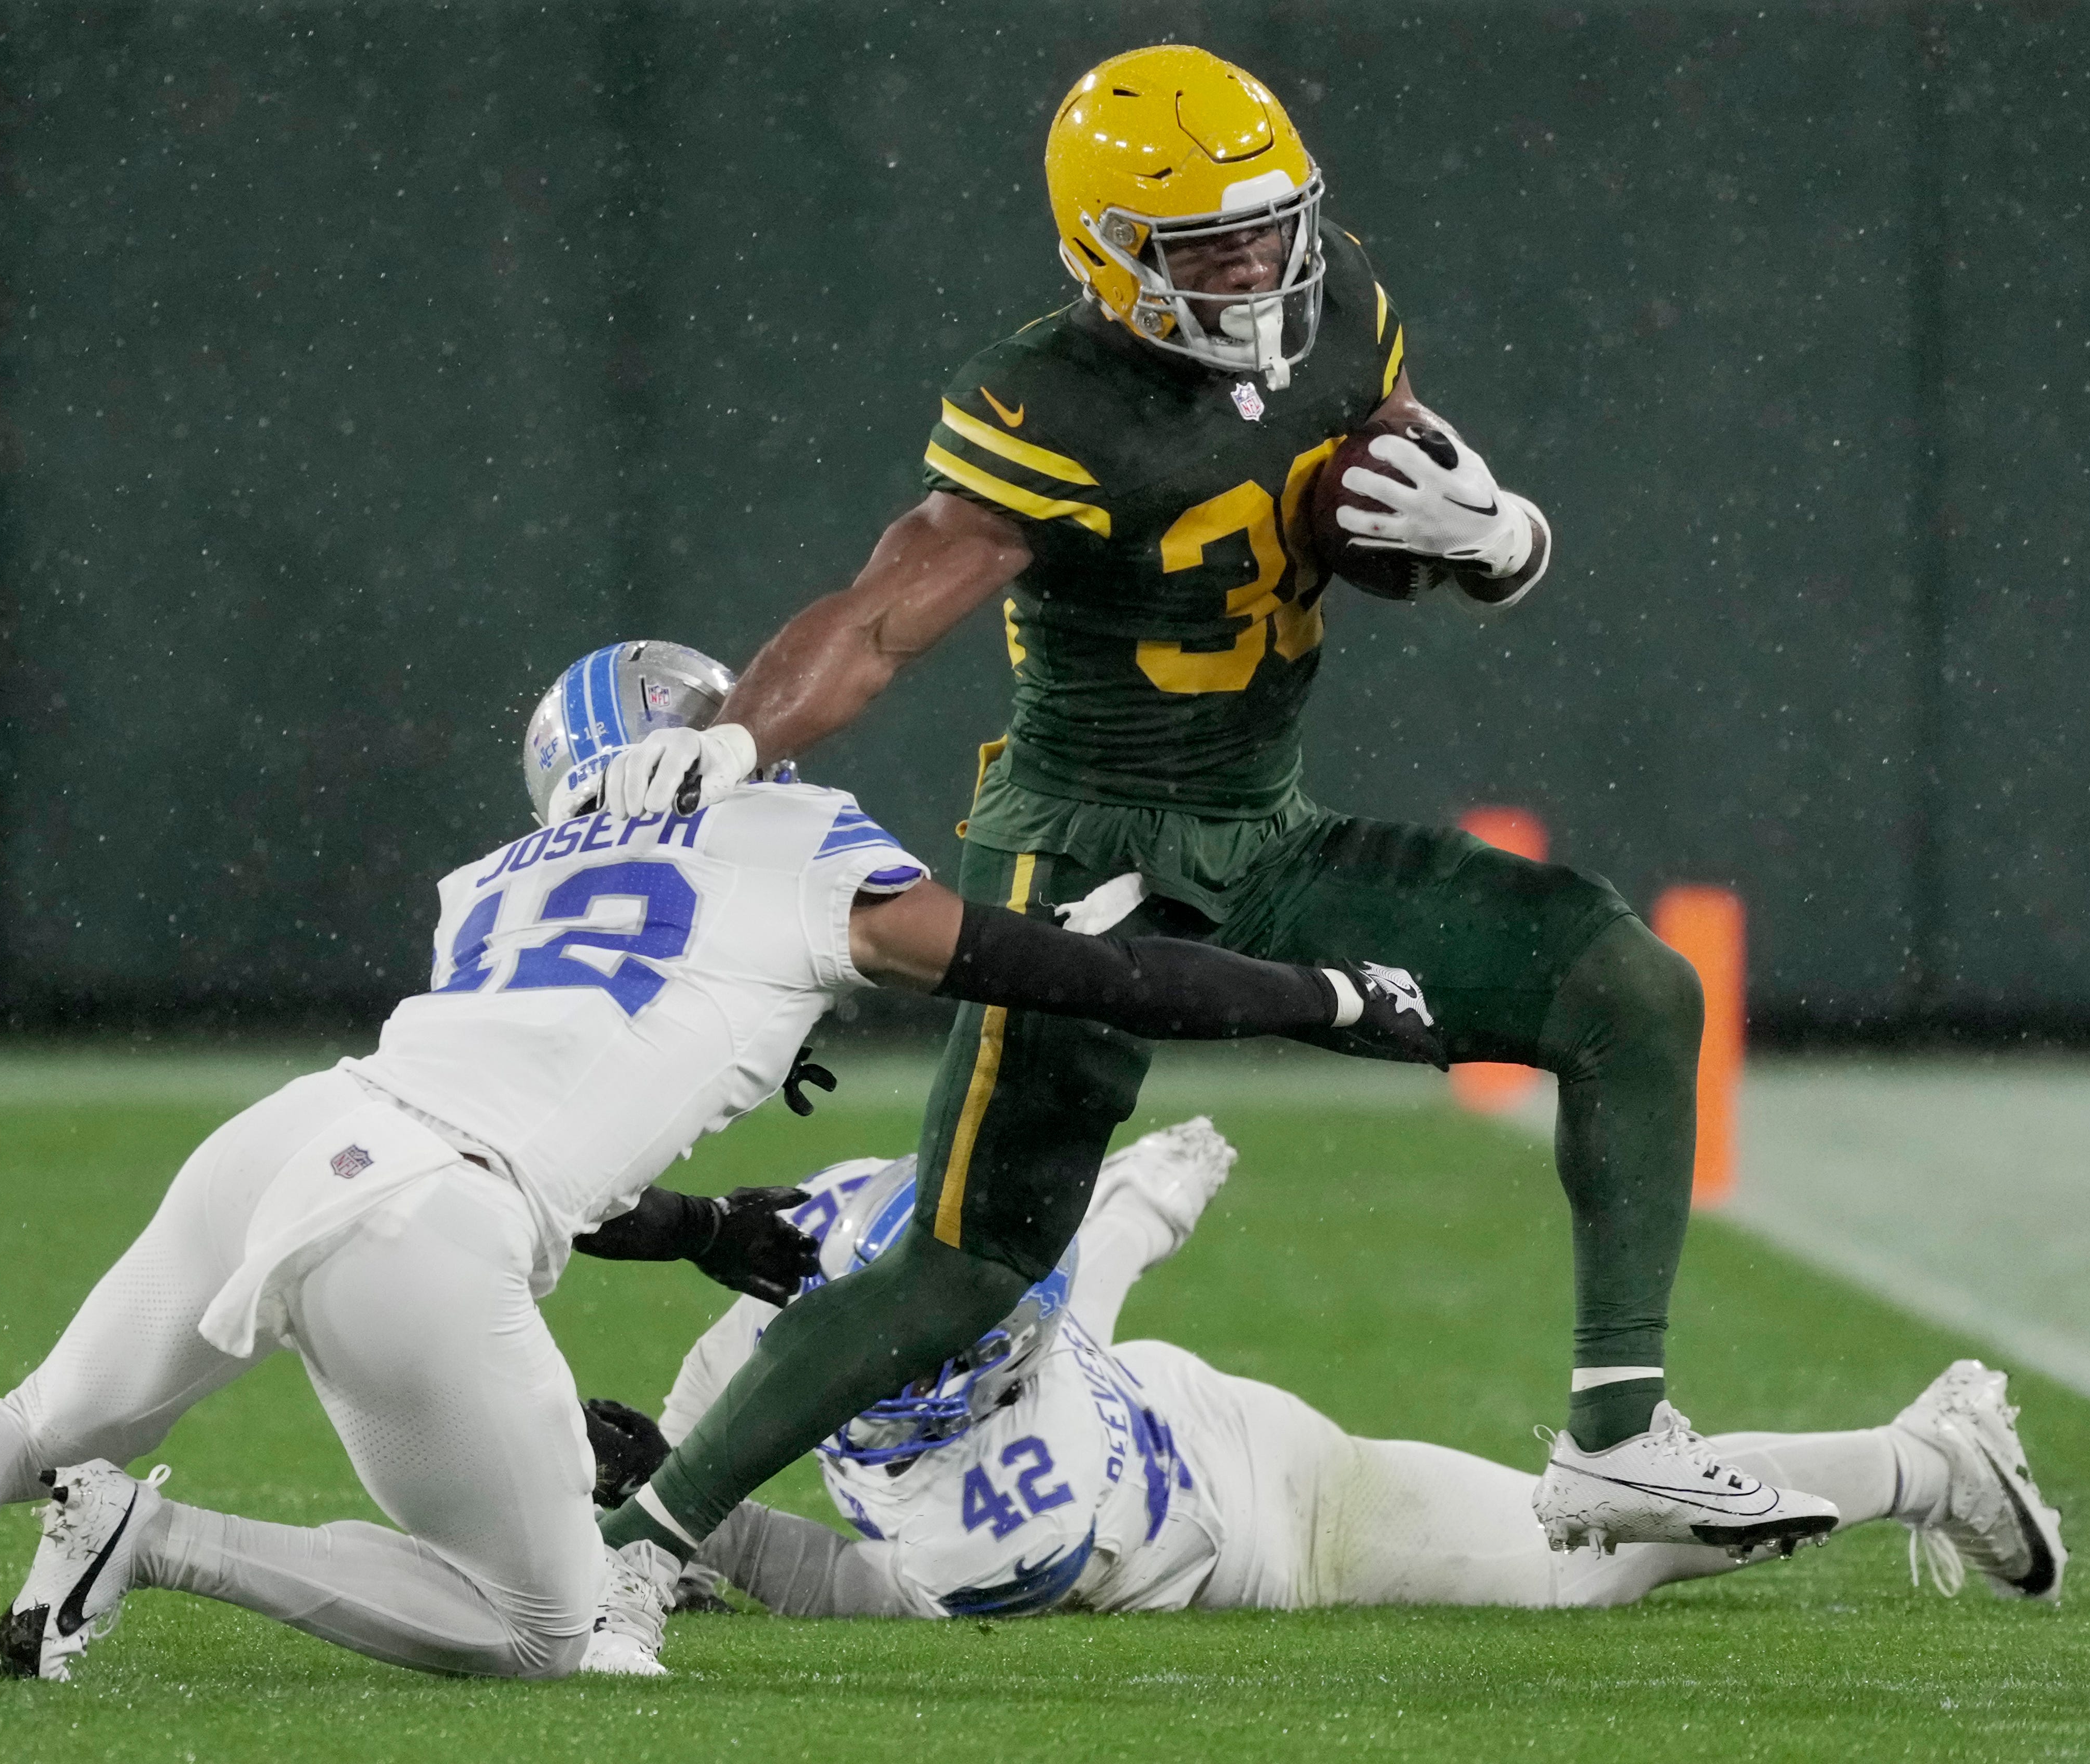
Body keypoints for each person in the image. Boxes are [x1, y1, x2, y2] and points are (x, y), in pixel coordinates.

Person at [0, 641, 1440, 1685]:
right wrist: (1320, 998)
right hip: (434, 1218)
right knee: (554, 1637)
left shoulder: (494, 879)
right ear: (709, 736)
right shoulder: (795, 836)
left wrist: (705, 1223)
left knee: (26, 1411)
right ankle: (156, 1541)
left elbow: (555, 1101)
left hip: (300, 1137)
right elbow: (1034, 965)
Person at [583, 44, 1834, 1589]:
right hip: (1082, 856)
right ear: (1104, 252)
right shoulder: (1049, 398)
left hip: (1267, 833)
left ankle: (1617, 1441)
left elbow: (1394, 504)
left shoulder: (1343, 307)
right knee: (968, 1266)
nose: (1256, 266)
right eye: (1206, 245)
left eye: (1271, 226)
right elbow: (891, 608)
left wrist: (1505, 538)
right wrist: (741, 734)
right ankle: (648, 1544)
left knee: (1629, 988)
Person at [656, 1121, 2068, 1621]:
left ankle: (1933, 1461)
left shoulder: (983, 1531)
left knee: (1582, 1563)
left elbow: (856, 1587)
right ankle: (1926, 1460)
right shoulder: (929, 1291)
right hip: (1184, 1419)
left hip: (1278, 1523)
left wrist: (694, 1518)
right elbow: (1051, 1280)